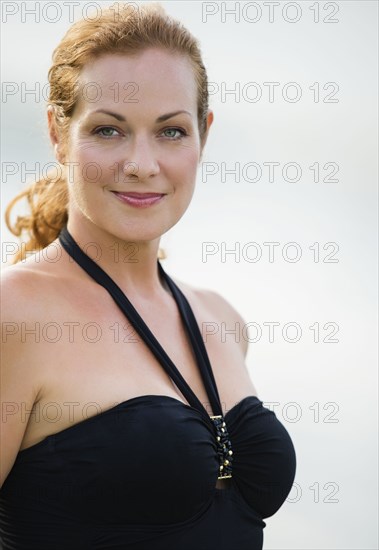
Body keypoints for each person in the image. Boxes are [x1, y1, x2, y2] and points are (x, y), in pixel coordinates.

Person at [0, 3, 296, 548]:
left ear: (203, 135)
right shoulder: (14, 315)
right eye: (109, 130)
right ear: (57, 133)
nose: (141, 162)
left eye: (171, 132)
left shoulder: (223, 322)